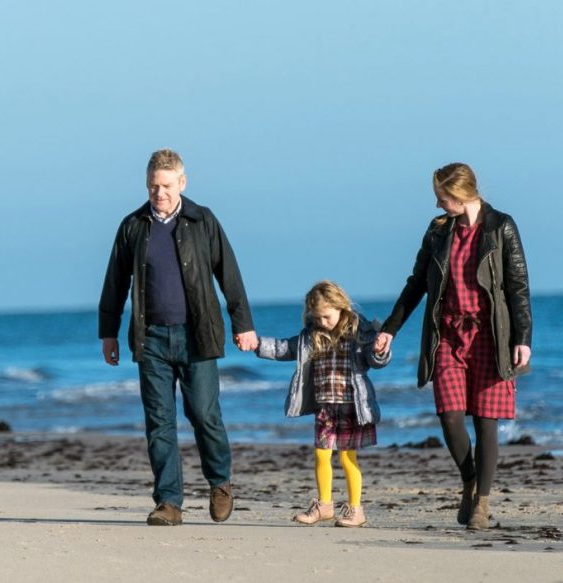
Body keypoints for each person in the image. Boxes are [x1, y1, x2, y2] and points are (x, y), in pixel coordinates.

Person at [98, 149, 258, 526]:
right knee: (159, 422)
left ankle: (220, 483)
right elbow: (115, 282)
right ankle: (168, 502)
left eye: (167, 185)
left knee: (204, 414)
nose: (160, 193)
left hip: (197, 335)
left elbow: (229, 274)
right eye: (154, 186)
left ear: (182, 183)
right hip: (150, 338)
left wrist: (243, 324)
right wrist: (108, 333)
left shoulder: (203, 220)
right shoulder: (133, 226)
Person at [375, 162, 532, 530]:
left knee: (486, 421)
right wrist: (390, 329)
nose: (437, 205)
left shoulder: (501, 226)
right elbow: (417, 284)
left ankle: (482, 504)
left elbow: (518, 287)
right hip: (446, 335)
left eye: (442, 198)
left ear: (461, 194)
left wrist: (523, 339)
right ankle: (470, 480)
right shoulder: (438, 231)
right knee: (450, 416)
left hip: (491, 336)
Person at [255, 280, 390, 527]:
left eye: (327, 316)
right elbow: (285, 348)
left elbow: (375, 360)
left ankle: (355, 509)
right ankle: (324, 506)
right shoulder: (310, 336)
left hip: (352, 406)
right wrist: (257, 344)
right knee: (321, 455)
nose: (322, 322)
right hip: (325, 407)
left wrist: (380, 351)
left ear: (341, 307)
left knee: (347, 458)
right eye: (317, 318)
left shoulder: (359, 331)